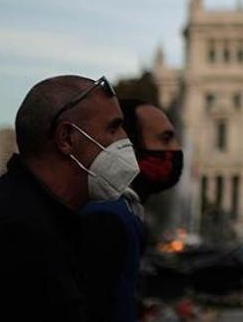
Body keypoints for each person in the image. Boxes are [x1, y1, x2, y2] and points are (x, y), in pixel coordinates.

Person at [0, 75, 136, 321]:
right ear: (66, 138)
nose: (125, 140)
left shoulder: (39, 215)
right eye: (113, 127)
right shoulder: (12, 231)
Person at [81, 99, 183, 322]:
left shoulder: (127, 209)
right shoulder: (107, 217)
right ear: (128, 145)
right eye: (165, 139)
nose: (175, 150)